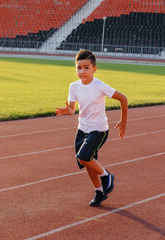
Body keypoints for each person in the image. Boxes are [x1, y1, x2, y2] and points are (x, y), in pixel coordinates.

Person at [55, 49, 128, 206]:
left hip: (99, 130)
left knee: (83, 157)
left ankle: (107, 175)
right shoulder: (73, 86)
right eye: (79, 67)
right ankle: (100, 192)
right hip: (83, 129)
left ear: (94, 69)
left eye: (86, 67)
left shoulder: (100, 86)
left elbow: (123, 99)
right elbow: (72, 110)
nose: (82, 71)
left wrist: (123, 122)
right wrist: (66, 111)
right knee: (88, 162)